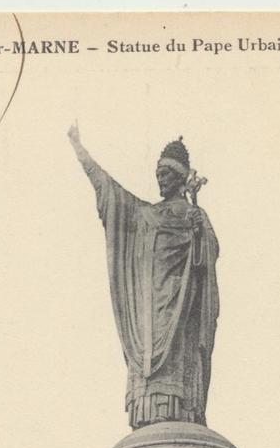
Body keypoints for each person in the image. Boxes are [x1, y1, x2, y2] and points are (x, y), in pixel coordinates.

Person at [68, 123, 220, 430]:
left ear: (179, 179)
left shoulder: (194, 216)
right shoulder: (145, 216)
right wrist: (81, 152)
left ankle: (182, 409)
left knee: (182, 355)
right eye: (158, 176)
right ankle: (151, 409)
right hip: (149, 309)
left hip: (183, 307)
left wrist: (197, 222)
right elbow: (110, 192)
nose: (160, 181)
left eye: (165, 176)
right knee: (149, 356)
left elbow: (208, 257)